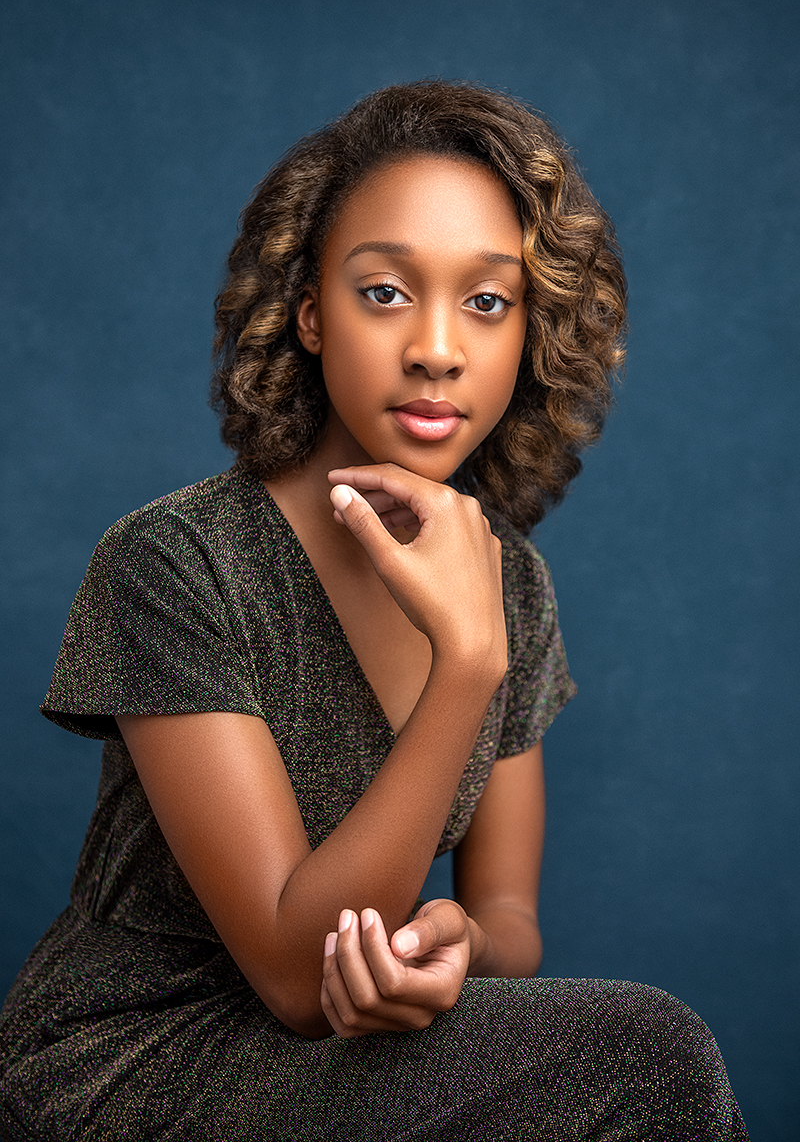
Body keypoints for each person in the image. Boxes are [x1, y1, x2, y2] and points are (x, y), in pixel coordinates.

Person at [0, 81, 748, 1140]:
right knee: (648, 1055)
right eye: (386, 292)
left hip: (349, 1062)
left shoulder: (511, 581)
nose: (436, 346)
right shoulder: (173, 563)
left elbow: (507, 919)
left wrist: (451, 954)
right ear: (309, 311)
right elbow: (298, 979)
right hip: (133, 1060)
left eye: (485, 301)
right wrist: (465, 665)